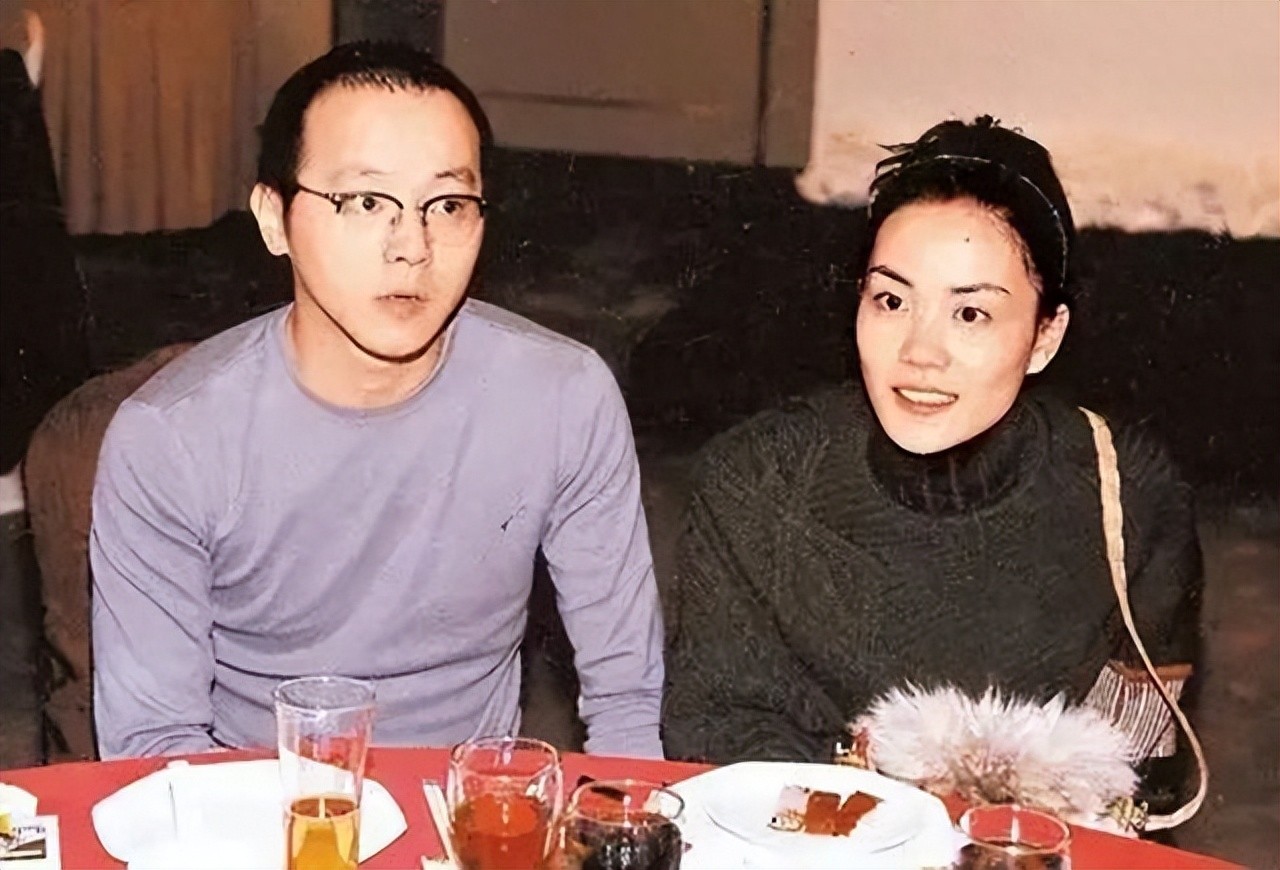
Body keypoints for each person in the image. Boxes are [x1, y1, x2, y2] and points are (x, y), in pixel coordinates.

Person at [90, 42, 663, 759]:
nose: (412, 246)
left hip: (468, 806)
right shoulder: (171, 436)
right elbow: (155, 744)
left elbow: (626, 706)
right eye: (365, 202)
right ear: (273, 219)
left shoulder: (565, 397)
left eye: (447, 205)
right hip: (257, 802)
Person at [661, 117, 1201, 803]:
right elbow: (719, 727)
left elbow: (1140, 770)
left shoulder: (1127, 490)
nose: (919, 353)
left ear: (1046, 336)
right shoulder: (757, 480)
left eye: (970, 314)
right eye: (891, 300)